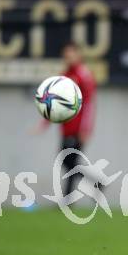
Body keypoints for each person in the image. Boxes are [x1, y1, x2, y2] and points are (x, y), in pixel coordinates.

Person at [35, 42, 96, 199]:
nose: (68, 57)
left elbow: (89, 104)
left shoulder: (84, 75)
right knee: (69, 163)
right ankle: (91, 186)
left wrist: (86, 129)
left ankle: (72, 197)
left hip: (77, 129)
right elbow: (53, 103)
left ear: (78, 55)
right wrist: (44, 123)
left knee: (68, 162)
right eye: (65, 54)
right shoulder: (64, 76)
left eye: (71, 54)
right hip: (66, 127)